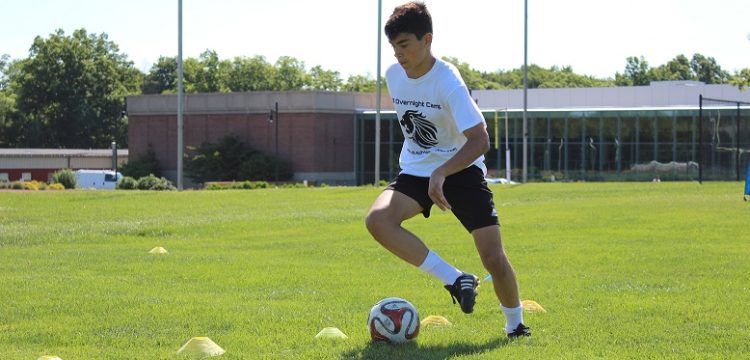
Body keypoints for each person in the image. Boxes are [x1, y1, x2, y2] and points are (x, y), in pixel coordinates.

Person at [365, 1, 531, 339]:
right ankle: (455, 279)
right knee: (378, 220)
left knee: (493, 257)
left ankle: (515, 326)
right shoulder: (393, 75)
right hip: (415, 170)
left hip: (462, 168)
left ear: (427, 40)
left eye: (405, 44)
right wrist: (429, 172)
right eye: (394, 46)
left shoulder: (448, 81)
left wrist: (442, 172)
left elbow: (480, 139)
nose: (398, 54)